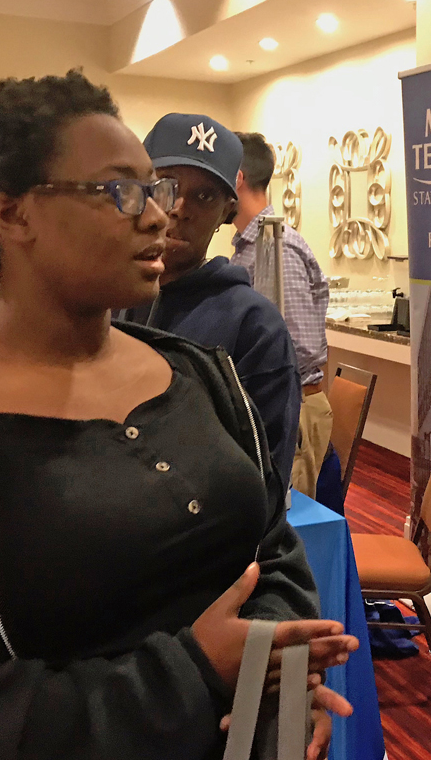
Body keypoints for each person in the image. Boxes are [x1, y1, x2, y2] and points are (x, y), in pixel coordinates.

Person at [0, 71, 355, 760]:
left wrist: (276, 685)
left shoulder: (203, 377)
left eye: (155, 190)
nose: (158, 215)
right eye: (119, 191)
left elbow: (268, 549)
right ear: (12, 214)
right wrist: (189, 673)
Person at [120, 114, 302, 484]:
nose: (179, 207)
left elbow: (263, 485)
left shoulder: (255, 326)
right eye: (165, 185)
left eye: (205, 196)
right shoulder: (107, 300)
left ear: (226, 211)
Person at [231, 132, 330, 498]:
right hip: (276, 406)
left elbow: (298, 347)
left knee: (289, 526)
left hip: (294, 409)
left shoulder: (277, 248)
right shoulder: (248, 247)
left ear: (237, 178)